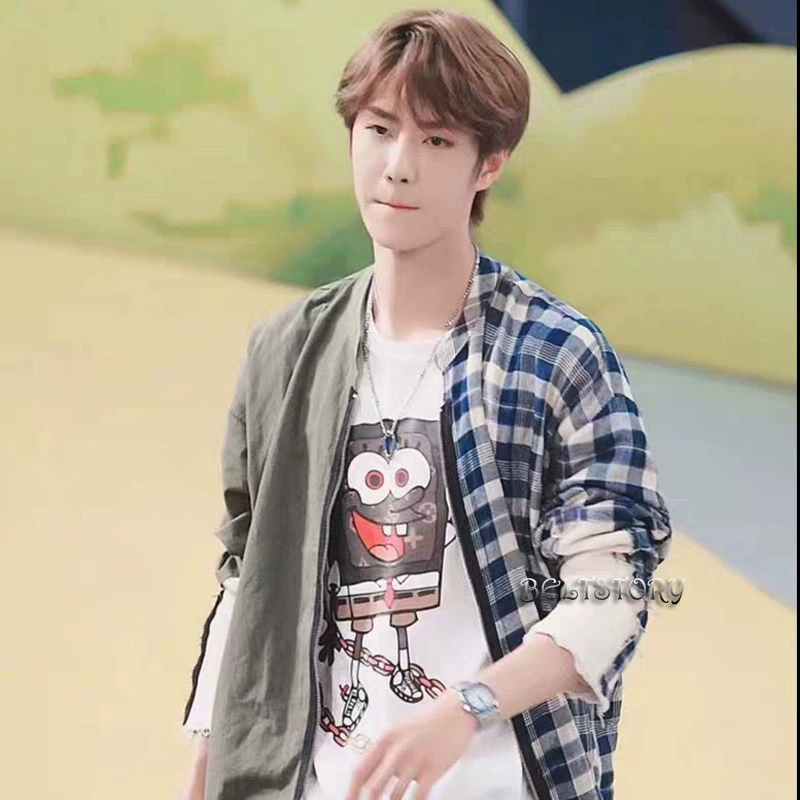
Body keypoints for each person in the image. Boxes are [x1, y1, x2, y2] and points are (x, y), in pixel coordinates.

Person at [178, 9, 672, 800]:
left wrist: (469, 708)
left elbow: (611, 596)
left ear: (489, 164)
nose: (399, 166)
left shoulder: (555, 355)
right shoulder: (286, 352)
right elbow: (247, 576)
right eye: (380, 129)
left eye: (437, 141)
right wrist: (208, 752)